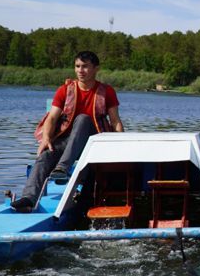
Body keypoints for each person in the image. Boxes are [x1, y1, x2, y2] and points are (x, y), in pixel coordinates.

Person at [11, 51, 123, 213]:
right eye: (77, 66)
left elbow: (115, 121)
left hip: (92, 144)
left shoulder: (107, 91)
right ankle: (29, 198)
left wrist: (118, 145)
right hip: (66, 142)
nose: (80, 70)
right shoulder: (65, 90)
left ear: (96, 69)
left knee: (83, 119)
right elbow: (52, 118)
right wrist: (46, 139)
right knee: (45, 155)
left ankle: (62, 169)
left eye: (85, 67)